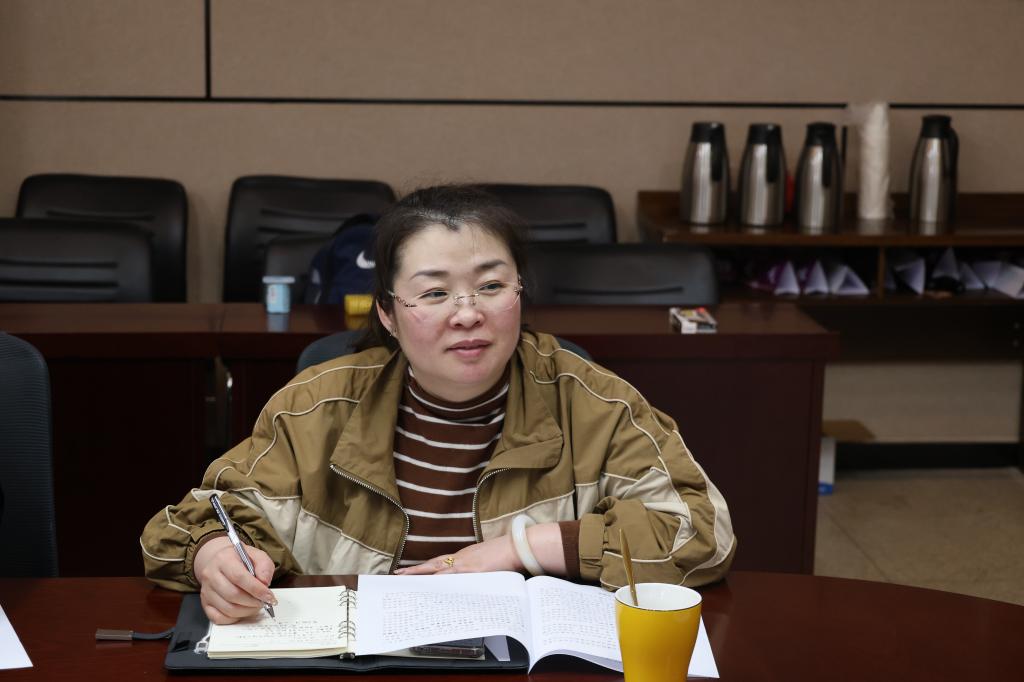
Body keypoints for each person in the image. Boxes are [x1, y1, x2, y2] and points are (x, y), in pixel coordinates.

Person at [140, 184, 735, 625]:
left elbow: (702, 531)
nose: (468, 313)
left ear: (521, 292)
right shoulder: (315, 408)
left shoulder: (592, 402)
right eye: (434, 292)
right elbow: (187, 525)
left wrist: (523, 550)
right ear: (387, 313)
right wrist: (215, 558)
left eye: (492, 285)